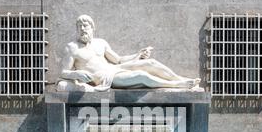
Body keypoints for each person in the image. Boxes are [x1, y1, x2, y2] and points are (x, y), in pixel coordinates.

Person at [58, 15, 202, 92]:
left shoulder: (101, 42)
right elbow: (63, 72)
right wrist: (76, 74)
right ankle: (177, 85)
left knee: (150, 63)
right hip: (104, 79)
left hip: (114, 69)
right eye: (80, 26)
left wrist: (138, 54)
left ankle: (180, 78)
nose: (83, 29)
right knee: (141, 75)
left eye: (86, 26)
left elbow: (119, 60)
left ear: (92, 28)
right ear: (76, 29)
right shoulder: (72, 47)